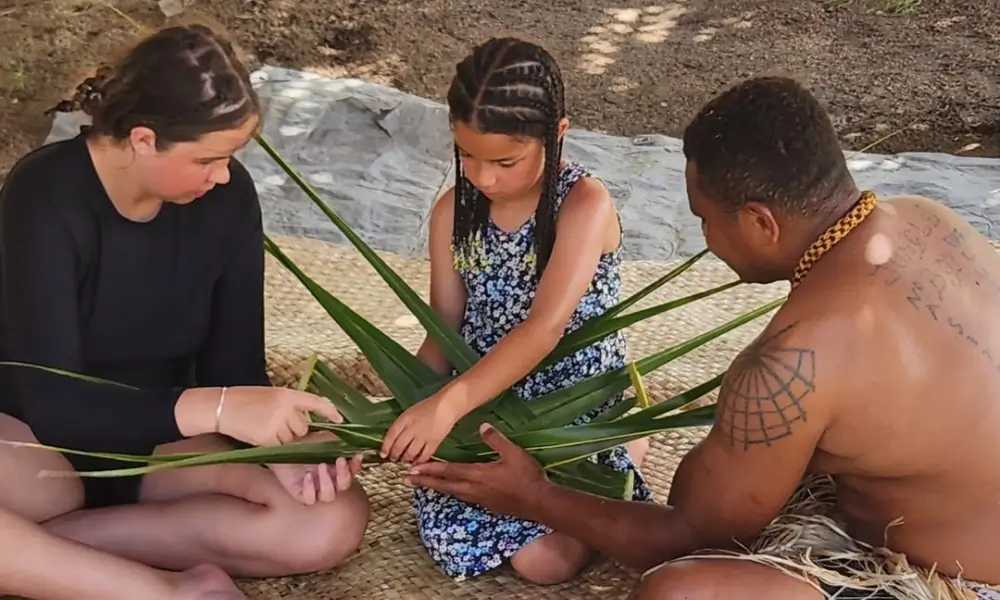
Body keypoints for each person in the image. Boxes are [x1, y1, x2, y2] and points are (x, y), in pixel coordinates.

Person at [404, 75, 1000, 599]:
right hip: (957, 506)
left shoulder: (791, 364)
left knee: (678, 591)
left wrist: (533, 496)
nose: (705, 237)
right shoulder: (925, 216)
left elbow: (687, 534)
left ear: (761, 222)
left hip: (962, 577)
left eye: (703, 219)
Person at [0, 24, 370, 599]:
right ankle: (162, 591)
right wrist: (218, 409)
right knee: (40, 486)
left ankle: (33, 556)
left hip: (160, 448)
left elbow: (237, 369)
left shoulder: (227, 199)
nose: (221, 175)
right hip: (28, 451)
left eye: (229, 158)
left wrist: (286, 449)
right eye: (208, 159)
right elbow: (47, 400)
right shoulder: (44, 193)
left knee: (329, 518)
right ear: (144, 139)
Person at [376, 36, 652, 584]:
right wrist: (401, 412)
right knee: (460, 525)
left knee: (544, 563)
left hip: (568, 399)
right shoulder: (452, 211)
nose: (483, 177)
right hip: (484, 398)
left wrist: (448, 405)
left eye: (505, 160)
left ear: (557, 135)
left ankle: (625, 442)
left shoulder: (584, 204)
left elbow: (545, 328)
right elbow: (443, 326)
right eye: (467, 155)